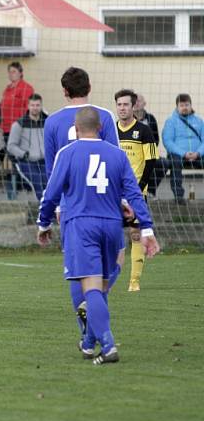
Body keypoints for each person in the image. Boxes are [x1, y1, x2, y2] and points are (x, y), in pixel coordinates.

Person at [37, 107, 160, 364]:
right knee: (101, 288)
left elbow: (51, 193)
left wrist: (43, 223)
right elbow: (134, 194)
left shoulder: (68, 153)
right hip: (112, 226)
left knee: (90, 286)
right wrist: (146, 228)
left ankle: (108, 343)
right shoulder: (117, 155)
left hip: (82, 225)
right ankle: (88, 341)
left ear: (76, 129)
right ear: (102, 128)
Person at [43, 67, 119, 343]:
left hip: (70, 207)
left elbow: (52, 171)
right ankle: (94, 325)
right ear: (89, 86)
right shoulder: (105, 116)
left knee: (79, 270)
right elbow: (115, 162)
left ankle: (87, 331)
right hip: (105, 204)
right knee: (115, 260)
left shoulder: (52, 122)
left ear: (64, 91)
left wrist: (53, 210)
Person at [115, 89, 158, 292]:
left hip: (135, 193)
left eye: (126, 104)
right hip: (112, 194)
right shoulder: (110, 131)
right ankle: (108, 278)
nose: (122, 108)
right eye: (119, 104)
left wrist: (138, 189)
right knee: (108, 234)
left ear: (133, 107)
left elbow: (151, 161)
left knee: (135, 234)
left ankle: (134, 281)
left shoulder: (144, 131)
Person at [162, 93, 204, 203]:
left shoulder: (199, 121)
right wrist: (184, 153)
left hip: (198, 155)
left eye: (187, 105)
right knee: (174, 161)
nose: (184, 108)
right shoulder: (171, 121)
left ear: (191, 105)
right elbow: (168, 141)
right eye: (181, 105)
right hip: (179, 156)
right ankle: (179, 196)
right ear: (177, 107)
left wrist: (198, 153)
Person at [7, 93, 48, 200]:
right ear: (28, 106)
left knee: (49, 183)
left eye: (37, 105)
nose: (35, 108)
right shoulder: (19, 124)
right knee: (37, 183)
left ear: (41, 106)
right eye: (32, 105)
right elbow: (11, 146)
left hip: (44, 161)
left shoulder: (48, 122)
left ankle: (51, 212)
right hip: (26, 162)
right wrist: (24, 154)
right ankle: (43, 211)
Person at [0, 61, 34, 147]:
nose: (11, 74)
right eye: (9, 72)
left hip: (19, 128)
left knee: (17, 154)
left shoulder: (26, 88)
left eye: (14, 71)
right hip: (6, 128)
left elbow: (28, 109)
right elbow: (3, 109)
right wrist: (1, 126)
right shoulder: (7, 89)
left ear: (20, 73)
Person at [134, 94, 165, 196]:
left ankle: (151, 191)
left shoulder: (151, 118)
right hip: (132, 153)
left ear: (144, 103)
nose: (137, 103)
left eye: (139, 101)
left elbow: (156, 139)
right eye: (135, 100)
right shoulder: (127, 119)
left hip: (148, 152)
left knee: (164, 163)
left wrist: (148, 151)